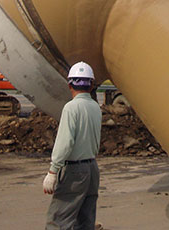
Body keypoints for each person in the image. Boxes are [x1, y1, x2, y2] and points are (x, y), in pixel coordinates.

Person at [43, 61, 102, 230]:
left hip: (74, 171)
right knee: (85, 221)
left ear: (69, 85)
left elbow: (65, 142)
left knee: (59, 220)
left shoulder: (71, 108)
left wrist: (53, 171)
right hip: (92, 169)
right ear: (91, 85)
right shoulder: (95, 107)